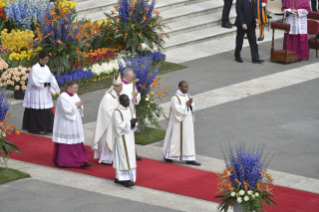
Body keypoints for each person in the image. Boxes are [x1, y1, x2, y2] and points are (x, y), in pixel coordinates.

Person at [52, 80, 92, 169]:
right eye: (75, 88)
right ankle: (63, 161)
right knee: (66, 143)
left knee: (77, 142)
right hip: (66, 124)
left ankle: (82, 160)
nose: (77, 90)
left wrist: (80, 106)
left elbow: (79, 105)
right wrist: (76, 106)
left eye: (77, 88)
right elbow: (66, 111)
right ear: (69, 88)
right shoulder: (62, 97)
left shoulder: (74, 95)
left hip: (75, 123)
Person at [162, 81, 201, 166]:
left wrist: (190, 106)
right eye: (184, 87)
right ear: (180, 87)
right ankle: (169, 156)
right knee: (175, 139)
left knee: (188, 139)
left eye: (187, 87)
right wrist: (186, 105)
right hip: (177, 123)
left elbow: (193, 106)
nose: (186, 88)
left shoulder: (188, 95)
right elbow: (176, 110)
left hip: (187, 123)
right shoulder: (175, 98)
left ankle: (189, 158)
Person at [22, 51, 60, 134]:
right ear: (40, 59)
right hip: (36, 92)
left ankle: (49, 128)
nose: (46, 62)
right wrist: (45, 84)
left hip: (45, 93)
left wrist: (52, 83)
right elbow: (34, 82)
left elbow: (49, 77)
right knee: (36, 110)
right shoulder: (34, 69)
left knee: (47, 109)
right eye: (45, 60)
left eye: (47, 60)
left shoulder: (46, 67)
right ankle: (34, 128)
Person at [92, 74, 123, 165]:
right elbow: (106, 111)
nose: (121, 89)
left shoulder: (117, 96)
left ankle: (112, 157)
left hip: (115, 122)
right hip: (108, 123)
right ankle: (105, 158)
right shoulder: (108, 97)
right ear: (115, 87)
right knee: (107, 139)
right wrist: (118, 112)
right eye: (120, 87)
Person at [113, 94, 139, 187]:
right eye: (126, 101)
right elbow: (118, 126)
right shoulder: (117, 112)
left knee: (129, 157)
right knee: (123, 158)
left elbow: (132, 121)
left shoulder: (129, 109)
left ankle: (118, 177)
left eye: (128, 100)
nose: (128, 102)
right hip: (121, 138)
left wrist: (134, 123)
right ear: (121, 101)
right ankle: (125, 179)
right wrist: (130, 123)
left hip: (129, 137)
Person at [121, 68, 142, 161]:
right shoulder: (120, 85)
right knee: (125, 131)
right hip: (124, 111)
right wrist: (131, 99)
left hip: (132, 110)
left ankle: (133, 152)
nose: (132, 78)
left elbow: (136, 95)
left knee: (132, 131)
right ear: (125, 76)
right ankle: (124, 153)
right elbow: (121, 99)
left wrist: (136, 97)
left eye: (132, 76)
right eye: (130, 76)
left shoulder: (132, 83)